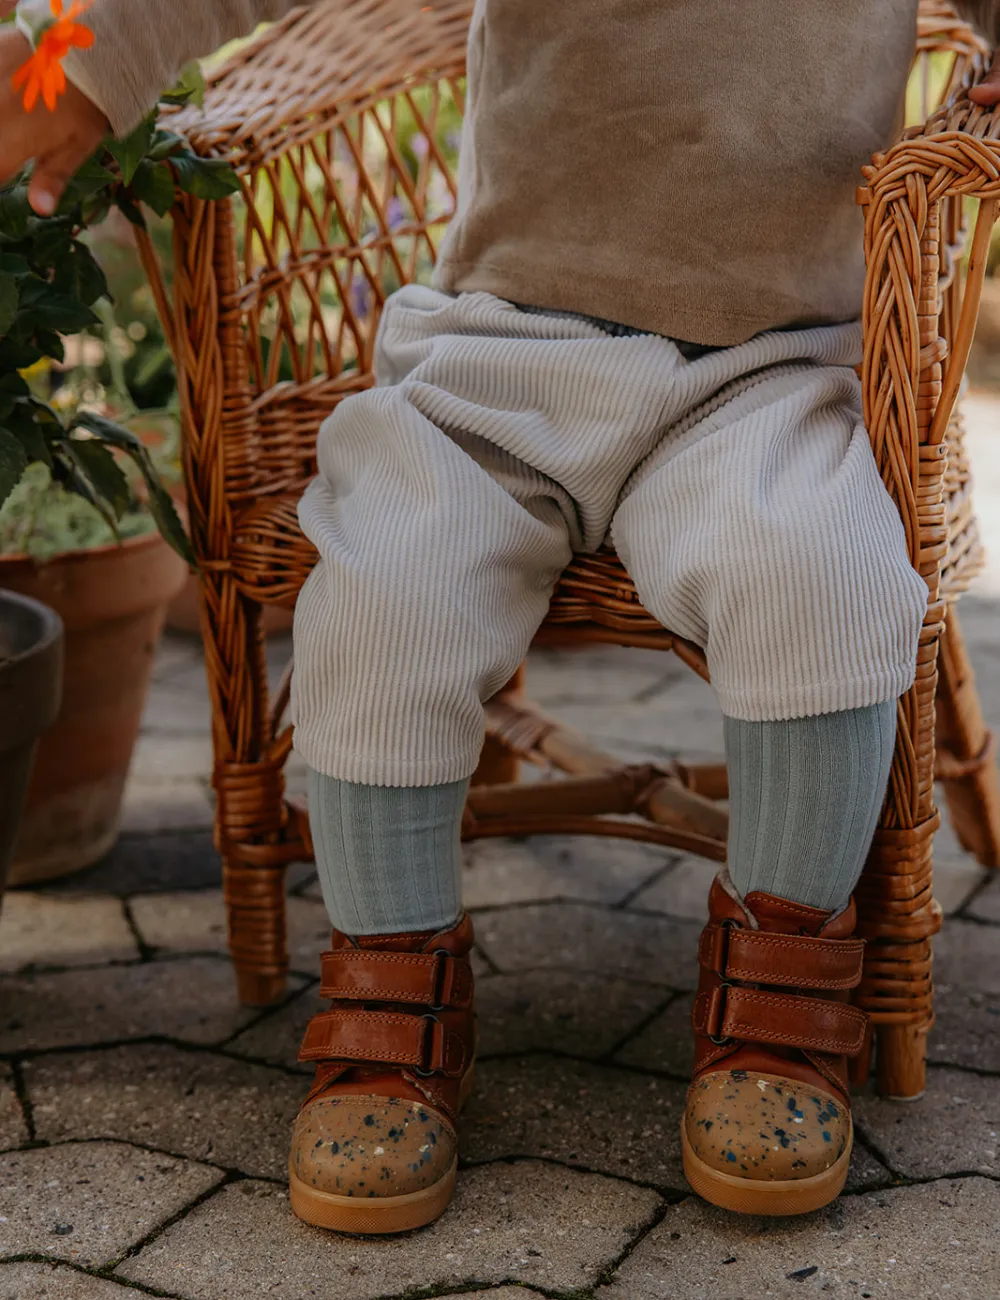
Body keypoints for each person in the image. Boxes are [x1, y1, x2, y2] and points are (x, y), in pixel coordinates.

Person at [3, 0, 999, 1235]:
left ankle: (778, 994)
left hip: (769, 363)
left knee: (821, 577)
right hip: (497, 352)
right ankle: (396, 988)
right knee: (381, 595)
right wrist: (76, 73)